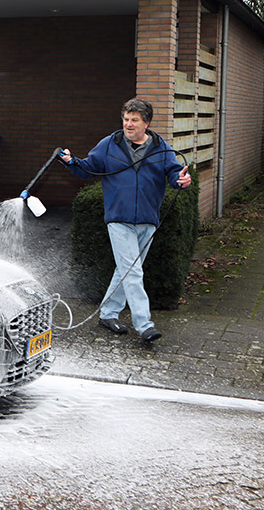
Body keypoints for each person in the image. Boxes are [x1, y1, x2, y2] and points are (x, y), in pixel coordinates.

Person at [59, 98, 190, 343]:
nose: (128, 124)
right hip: (118, 218)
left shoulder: (161, 148)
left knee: (126, 269)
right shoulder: (110, 144)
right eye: (126, 119)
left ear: (146, 123)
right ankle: (144, 324)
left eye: (134, 120)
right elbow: (89, 168)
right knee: (133, 272)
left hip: (148, 219)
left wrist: (181, 180)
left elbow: (174, 174)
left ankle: (108, 314)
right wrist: (71, 161)